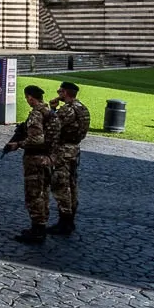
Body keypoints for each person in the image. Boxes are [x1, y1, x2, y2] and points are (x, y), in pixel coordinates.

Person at [1, 84, 55, 243]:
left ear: (31, 97)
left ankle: (37, 231)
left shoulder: (36, 115)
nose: (27, 100)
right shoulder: (50, 112)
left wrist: (18, 144)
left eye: (27, 98)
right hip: (48, 158)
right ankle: (40, 227)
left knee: (34, 195)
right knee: (43, 194)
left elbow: (37, 139)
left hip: (36, 160)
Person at [49, 82, 92, 236]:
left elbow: (52, 126)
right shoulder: (82, 108)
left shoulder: (67, 110)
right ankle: (70, 220)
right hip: (74, 150)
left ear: (65, 93)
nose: (58, 92)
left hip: (63, 151)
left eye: (60, 90)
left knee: (61, 185)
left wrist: (52, 109)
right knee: (72, 185)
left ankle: (65, 222)